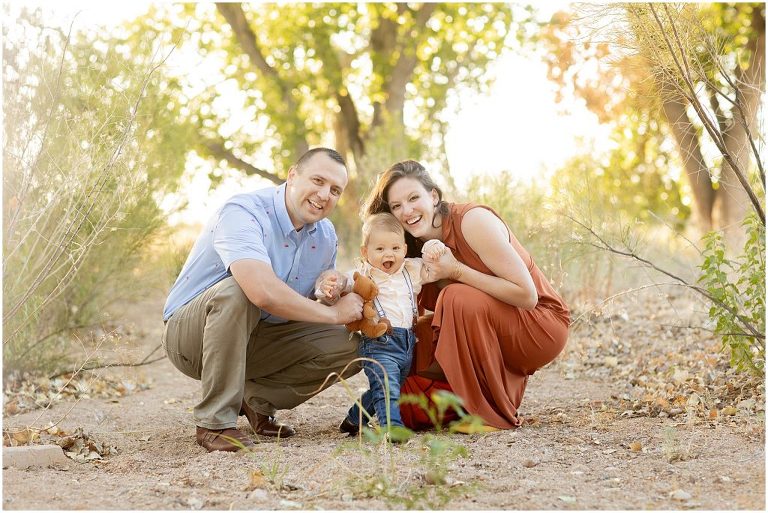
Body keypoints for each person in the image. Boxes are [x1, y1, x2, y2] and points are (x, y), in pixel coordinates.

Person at [162, 147, 364, 452]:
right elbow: (261, 291)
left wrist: (328, 291)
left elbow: (307, 304)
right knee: (238, 291)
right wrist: (335, 315)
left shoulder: (325, 235)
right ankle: (214, 422)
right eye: (318, 181)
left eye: (335, 190)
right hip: (192, 338)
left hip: (262, 336)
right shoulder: (243, 212)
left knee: (353, 343)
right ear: (293, 176)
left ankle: (256, 399)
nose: (325, 195)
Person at [363, 160, 570, 430]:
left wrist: (456, 271)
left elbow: (527, 295)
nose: (407, 211)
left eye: (414, 198)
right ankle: (463, 403)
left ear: (434, 196)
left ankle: (488, 415)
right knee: (409, 346)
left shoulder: (473, 221)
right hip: (492, 325)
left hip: (539, 325)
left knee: (456, 297)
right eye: (396, 206)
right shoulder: (408, 247)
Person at [316, 213, 445, 437]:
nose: (389, 254)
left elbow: (433, 266)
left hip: (406, 344)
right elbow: (342, 281)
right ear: (365, 253)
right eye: (380, 249)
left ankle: (353, 419)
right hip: (378, 343)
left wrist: (433, 246)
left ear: (404, 250)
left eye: (395, 248)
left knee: (384, 387)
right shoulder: (363, 274)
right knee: (387, 387)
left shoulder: (411, 270)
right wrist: (330, 285)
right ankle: (392, 428)